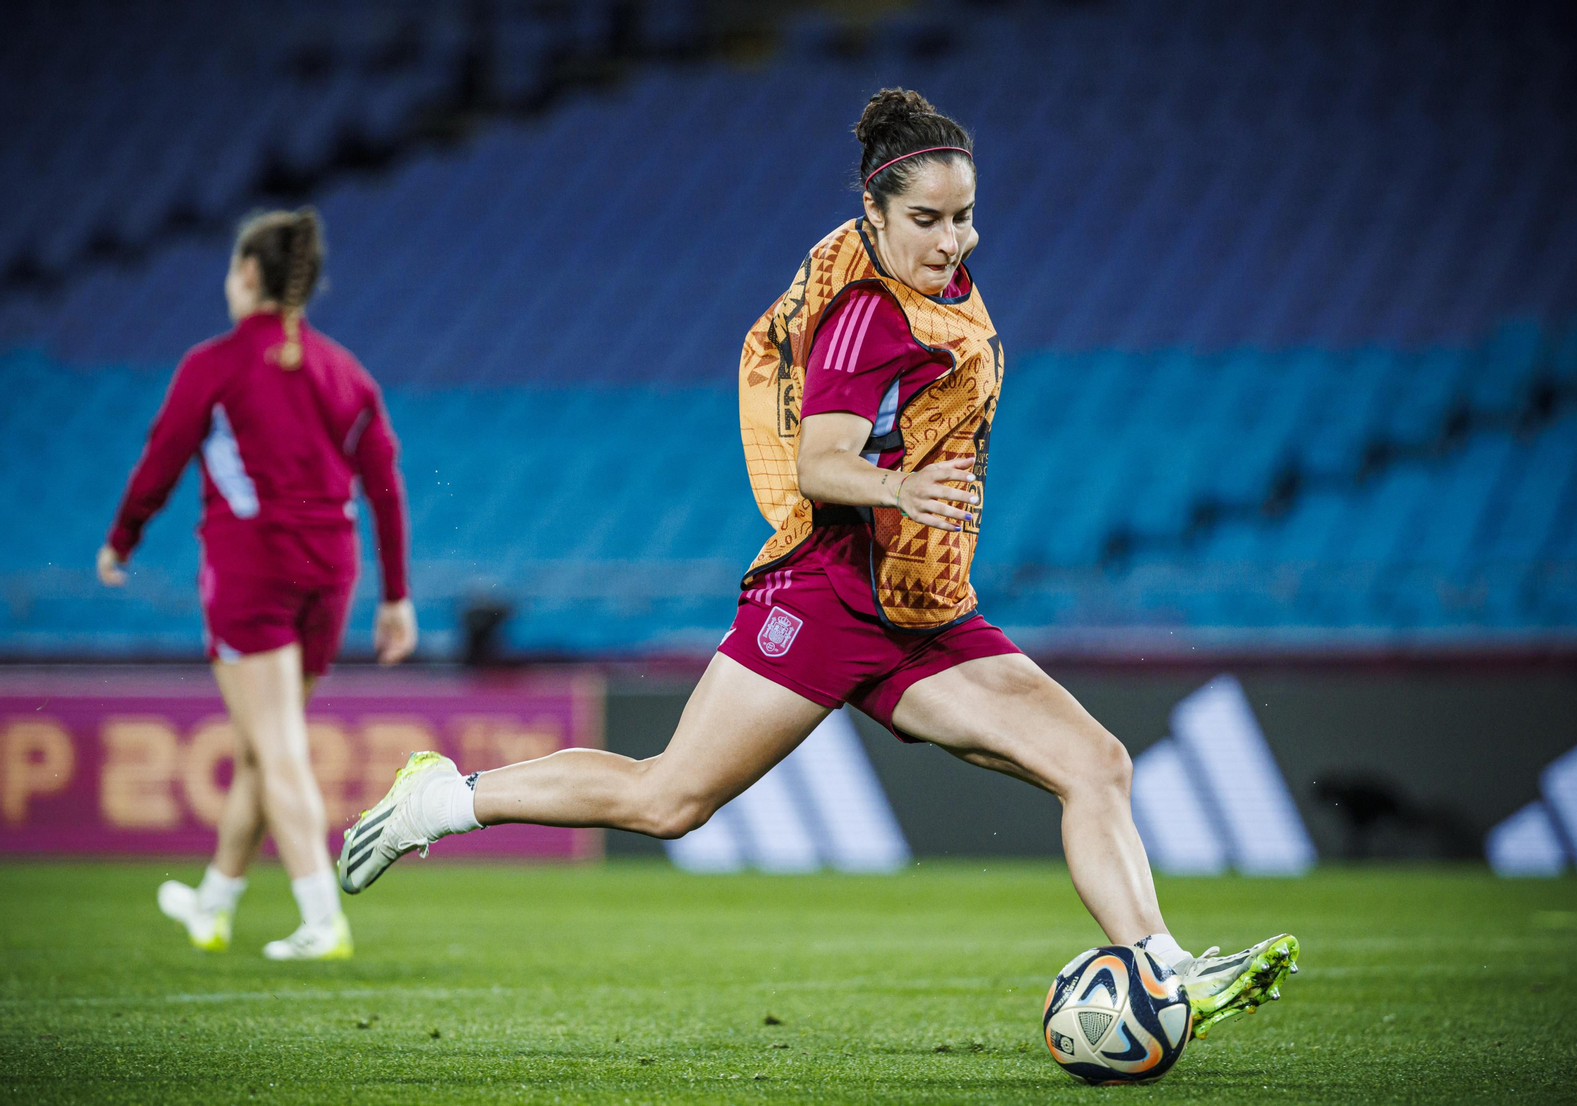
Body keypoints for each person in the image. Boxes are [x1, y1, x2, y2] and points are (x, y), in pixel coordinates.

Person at [337, 90, 1296, 1038]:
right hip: (828, 594)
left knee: (1096, 764)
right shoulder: (869, 320)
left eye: (964, 216)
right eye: (925, 220)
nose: (951, 240)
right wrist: (898, 491)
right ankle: (442, 799)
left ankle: (1165, 974)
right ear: (872, 216)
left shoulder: (925, 279)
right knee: (667, 798)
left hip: (924, 607)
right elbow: (821, 462)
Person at [99, 207, 417, 961]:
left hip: (253, 568)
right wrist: (396, 594)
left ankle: (320, 918)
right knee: (261, 745)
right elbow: (385, 484)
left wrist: (122, 539)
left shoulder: (213, 364)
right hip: (329, 572)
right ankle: (213, 903)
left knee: (275, 747)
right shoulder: (345, 371)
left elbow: (161, 459)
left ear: (248, 274)